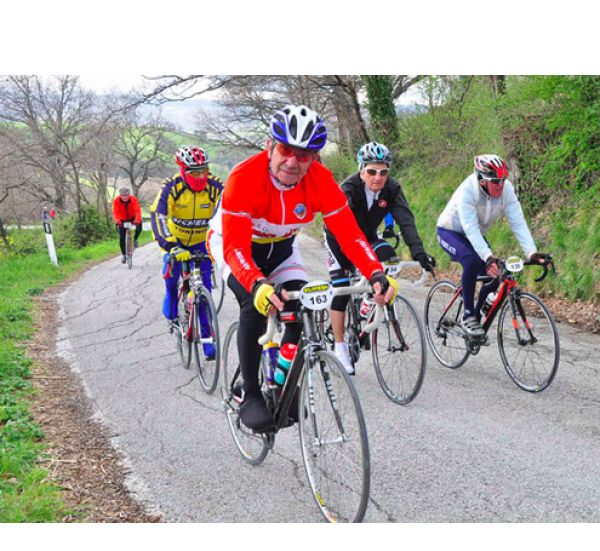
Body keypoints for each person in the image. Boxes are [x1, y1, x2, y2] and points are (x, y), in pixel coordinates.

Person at [217, 105, 397, 432]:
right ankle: (252, 393)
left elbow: (349, 234)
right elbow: (235, 249)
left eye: (304, 155)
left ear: (314, 158)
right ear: (270, 146)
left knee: (305, 307)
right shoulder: (244, 178)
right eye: (286, 149)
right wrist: (257, 285)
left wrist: (374, 272)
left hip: (283, 249)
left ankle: (281, 380)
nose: (293, 161)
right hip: (238, 249)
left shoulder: (319, 180)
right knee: (254, 305)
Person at [324, 141, 435, 373]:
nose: (378, 177)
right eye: (372, 171)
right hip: (339, 237)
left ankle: (369, 301)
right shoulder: (348, 190)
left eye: (383, 172)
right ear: (361, 170)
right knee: (342, 288)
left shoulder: (392, 189)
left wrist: (419, 252)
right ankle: (339, 345)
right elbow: (347, 233)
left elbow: (406, 221)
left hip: (366, 236)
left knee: (389, 257)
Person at [436, 154, 549, 339]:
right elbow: (470, 228)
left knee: (500, 271)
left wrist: (532, 252)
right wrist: (487, 256)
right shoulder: (468, 190)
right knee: (472, 261)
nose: (500, 185)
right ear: (481, 180)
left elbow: (518, 222)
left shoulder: (506, 190)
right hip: (450, 231)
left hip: (474, 235)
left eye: (503, 180)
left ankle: (478, 312)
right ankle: (468, 316)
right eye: (495, 181)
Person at [151, 145, 224, 360]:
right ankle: (172, 299)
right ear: (183, 171)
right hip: (176, 241)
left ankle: (207, 338)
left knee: (205, 293)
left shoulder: (215, 187)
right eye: (194, 172)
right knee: (172, 281)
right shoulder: (172, 187)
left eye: (204, 170)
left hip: (202, 243)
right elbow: (159, 216)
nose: (201, 176)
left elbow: (231, 212)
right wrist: (170, 245)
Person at [112, 187, 142, 263]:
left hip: (132, 218)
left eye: (126, 195)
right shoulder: (116, 201)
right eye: (122, 195)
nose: (124, 197)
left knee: (139, 227)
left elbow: (137, 211)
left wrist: (137, 220)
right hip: (122, 219)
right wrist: (117, 221)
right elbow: (115, 212)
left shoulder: (133, 199)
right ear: (120, 195)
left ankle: (135, 239)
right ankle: (124, 255)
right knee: (121, 238)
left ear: (129, 195)